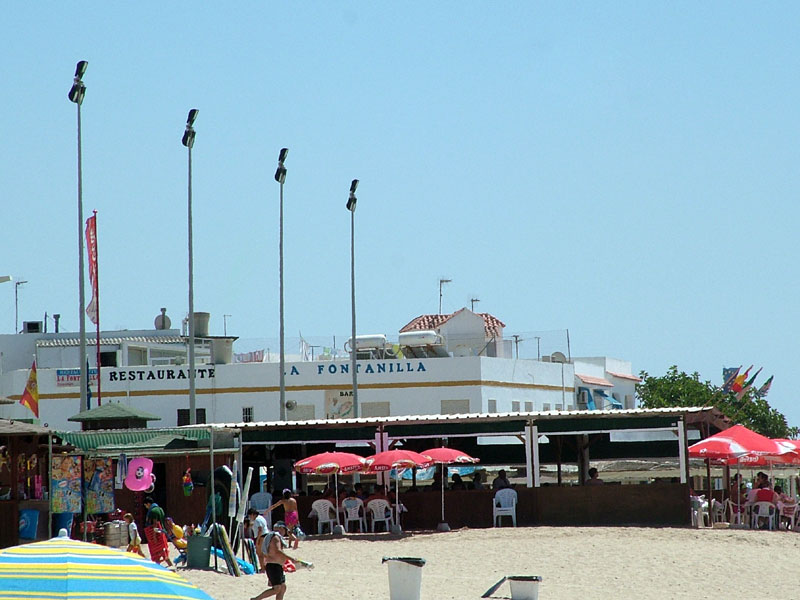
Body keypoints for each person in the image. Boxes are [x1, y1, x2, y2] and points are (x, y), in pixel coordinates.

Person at [251, 522, 297, 600]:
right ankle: (256, 599)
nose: (285, 532)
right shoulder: (276, 538)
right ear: (281, 528)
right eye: (284, 530)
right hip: (273, 566)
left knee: (283, 587)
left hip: (277, 565)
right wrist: (291, 558)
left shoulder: (274, 537)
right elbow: (278, 551)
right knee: (277, 588)